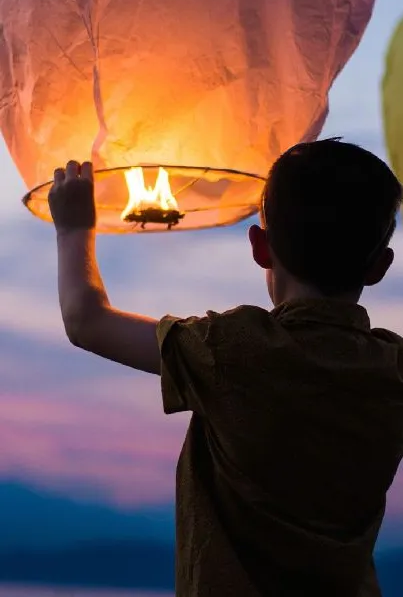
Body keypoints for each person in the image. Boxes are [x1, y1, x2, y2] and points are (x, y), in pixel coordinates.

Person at [49, 138, 403, 597]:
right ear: (380, 265)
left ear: (260, 246)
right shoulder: (393, 371)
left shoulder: (234, 350)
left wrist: (72, 228)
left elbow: (86, 321)